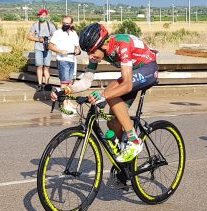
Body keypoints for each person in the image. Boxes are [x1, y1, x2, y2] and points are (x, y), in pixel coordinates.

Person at [51, 22, 158, 163]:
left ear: (103, 44)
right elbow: (86, 81)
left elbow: (127, 84)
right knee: (113, 124)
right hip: (132, 75)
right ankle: (126, 162)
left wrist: (103, 95)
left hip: (148, 69)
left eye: (92, 51)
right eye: (88, 52)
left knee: (110, 93)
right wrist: (64, 90)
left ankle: (134, 141)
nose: (90, 56)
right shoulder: (98, 52)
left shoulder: (122, 44)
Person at [49, 16, 81, 115]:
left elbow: (77, 47)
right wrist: (60, 51)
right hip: (62, 59)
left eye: (67, 23)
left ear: (71, 24)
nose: (65, 25)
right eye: (64, 23)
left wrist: (77, 50)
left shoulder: (74, 33)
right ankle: (63, 103)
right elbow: (50, 45)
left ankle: (68, 101)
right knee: (64, 82)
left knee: (70, 82)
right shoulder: (58, 33)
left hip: (72, 59)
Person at [27, 9, 56, 92]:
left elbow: (56, 36)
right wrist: (38, 39)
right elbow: (29, 36)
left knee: (46, 67)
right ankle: (40, 84)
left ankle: (47, 84)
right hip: (38, 48)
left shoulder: (51, 25)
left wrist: (48, 40)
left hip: (48, 48)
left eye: (43, 15)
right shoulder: (35, 25)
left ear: (46, 16)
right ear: (38, 16)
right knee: (39, 66)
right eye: (40, 15)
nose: (42, 17)